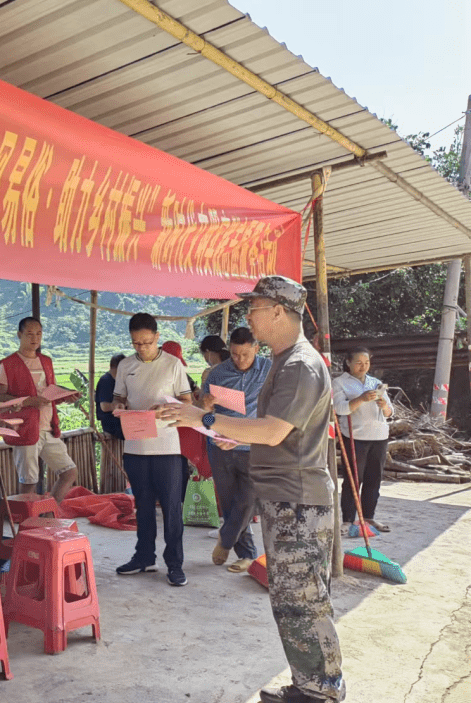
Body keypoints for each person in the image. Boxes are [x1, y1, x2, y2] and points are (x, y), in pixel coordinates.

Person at [157, 276, 344, 703]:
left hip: (298, 501)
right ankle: (308, 685)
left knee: (305, 601)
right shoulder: (285, 359)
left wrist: (201, 419)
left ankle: (322, 692)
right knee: (291, 599)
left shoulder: (299, 364)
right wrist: (230, 435)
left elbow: (275, 431)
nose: (248, 316)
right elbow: (271, 431)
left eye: (253, 307)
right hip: (286, 496)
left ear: (278, 311)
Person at [110, 313, 194, 587]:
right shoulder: (124, 365)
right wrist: (119, 408)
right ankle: (144, 556)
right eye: (136, 343)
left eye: (147, 342)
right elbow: (118, 398)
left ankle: (175, 564)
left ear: (157, 338)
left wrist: (165, 408)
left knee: (171, 509)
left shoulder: (173, 365)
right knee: (142, 506)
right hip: (135, 445)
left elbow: (187, 402)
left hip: (167, 446)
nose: (142, 348)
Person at [199, 326, 271, 573]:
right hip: (220, 445)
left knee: (248, 499)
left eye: (245, 355)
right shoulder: (217, 374)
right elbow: (204, 417)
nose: (239, 360)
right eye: (235, 354)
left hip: (254, 445)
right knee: (230, 502)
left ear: (257, 349)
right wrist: (206, 406)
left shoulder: (270, 371)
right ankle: (247, 555)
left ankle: (226, 539)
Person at [0, 317, 77, 503]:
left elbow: (50, 391)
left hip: (48, 427)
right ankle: (28, 524)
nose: (35, 338)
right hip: (24, 428)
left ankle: (48, 514)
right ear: (19, 335)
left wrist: (65, 396)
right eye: (30, 334)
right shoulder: (7, 364)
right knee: (29, 481)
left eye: (38, 334)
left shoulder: (46, 361)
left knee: (69, 471)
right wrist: (27, 401)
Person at [333, 347, 392, 532]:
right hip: (355, 436)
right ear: (348, 362)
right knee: (353, 479)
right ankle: (348, 520)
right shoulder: (340, 382)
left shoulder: (375, 382)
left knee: (374, 479)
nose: (363, 367)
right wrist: (361, 399)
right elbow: (340, 409)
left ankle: (368, 517)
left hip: (379, 435)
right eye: (358, 363)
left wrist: (383, 405)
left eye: (366, 363)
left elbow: (390, 412)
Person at [95, 354, 127, 441]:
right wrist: (118, 406)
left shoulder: (118, 381)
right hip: (111, 423)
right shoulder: (106, 381)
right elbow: (104, 407)